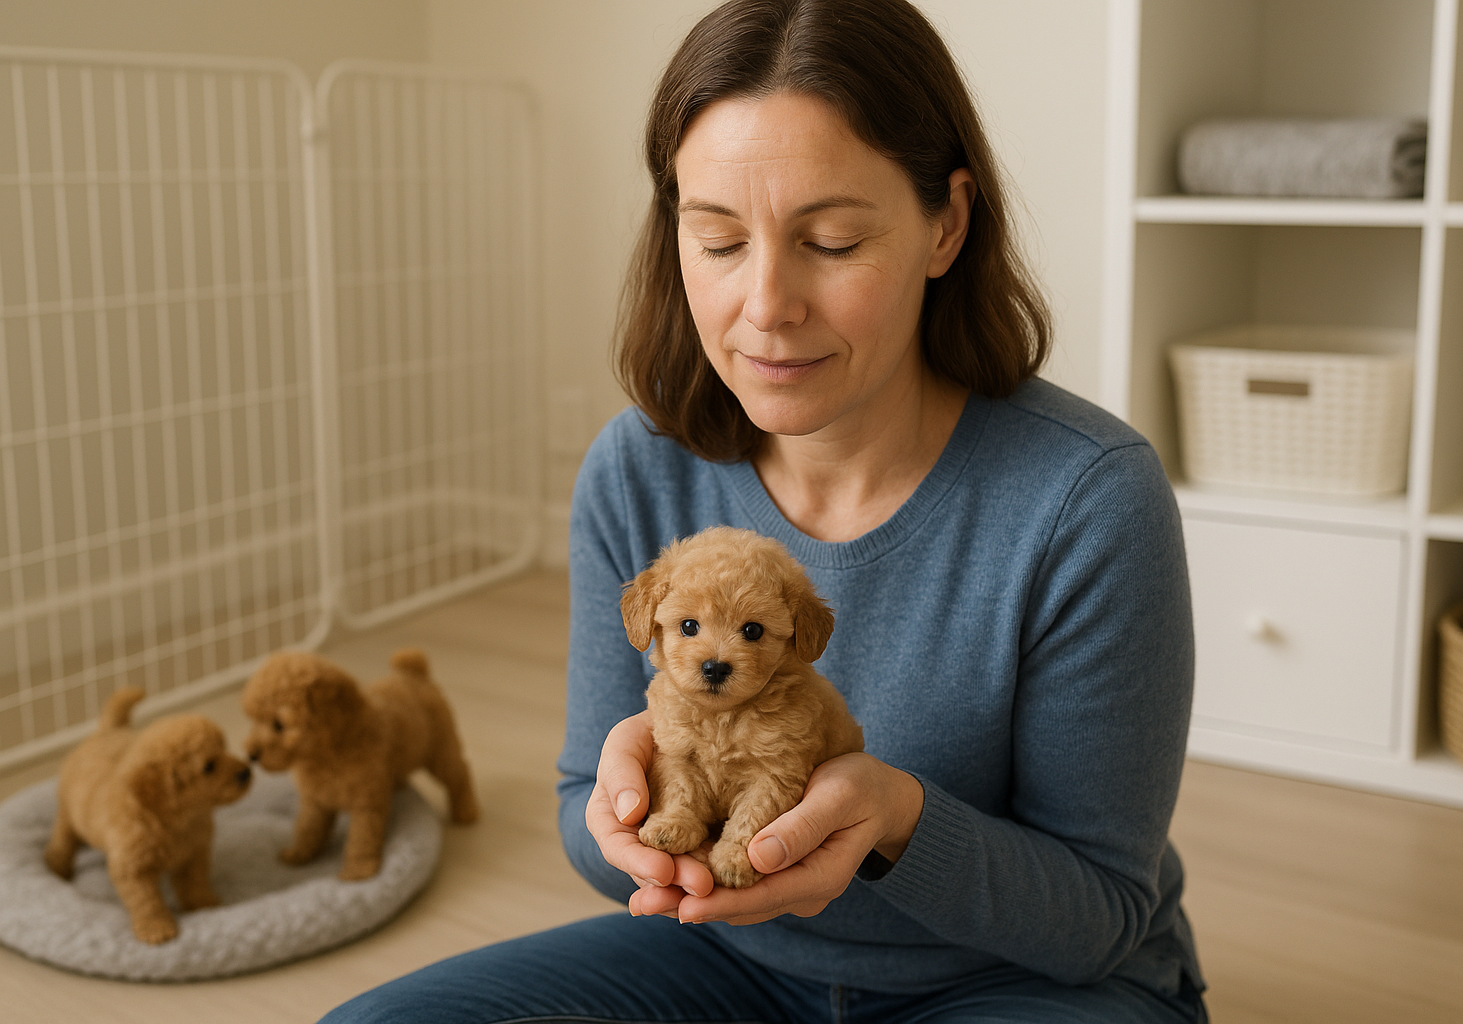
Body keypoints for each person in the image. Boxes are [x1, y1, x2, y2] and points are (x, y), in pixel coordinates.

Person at [321, 0, 1206, 1021]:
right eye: (720, 239)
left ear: (946, 224)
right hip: (731, 959)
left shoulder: (1087, 498)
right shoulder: (637, 470)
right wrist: (619, 819)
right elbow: (583, 814)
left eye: (830, 241)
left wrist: (896, 820)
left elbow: (1096, 912)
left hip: (1018, 978)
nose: (766, 303)